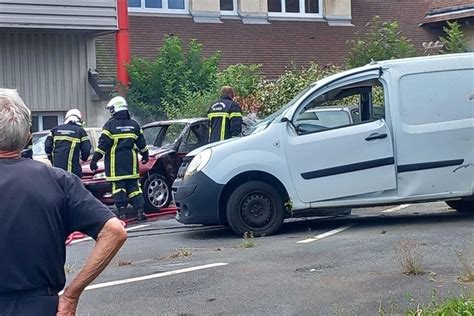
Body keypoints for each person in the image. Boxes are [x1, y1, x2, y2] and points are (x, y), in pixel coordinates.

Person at [0, 88, 127, 316]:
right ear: (28, 136)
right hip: (42, 307)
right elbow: (114, 231)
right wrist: (71, 295)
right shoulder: (59, 181)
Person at [90, 96, 149, 221]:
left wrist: (95, 160)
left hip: (115, 164)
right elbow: (142, 144)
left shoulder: (110, 125)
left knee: (118, 188)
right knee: (134, 188)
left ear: (116, 108)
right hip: (131, 164)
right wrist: (145, 155)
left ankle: (122, 214)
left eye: (111, 109)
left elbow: (103, 145)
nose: (111, 111)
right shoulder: (134, 125)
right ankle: (140, 211)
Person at [44, 109, 92, 178]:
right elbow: (86, 149)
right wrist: (83, 159)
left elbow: (47, 146)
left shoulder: (55, 130)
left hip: (57, 170)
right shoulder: (80, 131)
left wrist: (50, 157)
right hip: (72, 170)